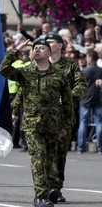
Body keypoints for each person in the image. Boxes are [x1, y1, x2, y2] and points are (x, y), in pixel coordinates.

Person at [0, 38, 72, 207]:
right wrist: (17, 49)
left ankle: (47, 192)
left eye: (41, 47)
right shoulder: (25, 72)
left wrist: (65, 126)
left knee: (49, 160)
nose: (37, 50)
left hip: (53, 124)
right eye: (35, 48)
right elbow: (3, 69)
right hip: (32, 124)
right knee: (38, 158)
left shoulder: (59, 75)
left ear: (49, 53)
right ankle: (40, 196)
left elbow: (67, 103)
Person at [45, 33, 86, 203]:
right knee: (44, 154)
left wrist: (67, 96)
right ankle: (45, 187)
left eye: (50, 42)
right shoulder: (40, 64)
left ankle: (56, 188)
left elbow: (82, 85)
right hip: (43, 117)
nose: (47, 44)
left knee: (60, 154)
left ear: (60, 45)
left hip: (63, 118)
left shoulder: (70, 65)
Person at [77, 50, 102, 154]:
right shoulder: (100, 71)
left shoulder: (84, 71)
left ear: (90, 58)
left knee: (83, 123)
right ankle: (100, 148)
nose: (86, 59)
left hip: (85, 98)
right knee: (99, 123)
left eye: (87, 57)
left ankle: (80, 147)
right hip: (98, 98)